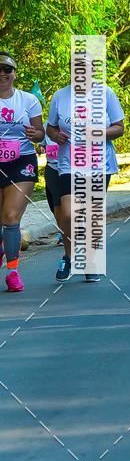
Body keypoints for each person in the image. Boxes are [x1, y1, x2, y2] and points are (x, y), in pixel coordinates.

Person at [47, 72, 125, 282]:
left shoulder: (106, 93)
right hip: (69, 163)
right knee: (69, 213)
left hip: (99, 164)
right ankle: (69, 256)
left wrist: (99, 132)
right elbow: (51, 127)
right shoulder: (60, 96)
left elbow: (119, 128)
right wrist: (56, 136)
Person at [0, 52, 44, 292]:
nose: (2, 74)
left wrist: (35, 135)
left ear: (14, 73)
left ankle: (13, 272)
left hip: (21, 161)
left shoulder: (28, 100)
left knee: (10, 217)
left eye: (7, 70)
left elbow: (41, 134)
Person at [40, 122, 63, 247]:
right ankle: (63, 232)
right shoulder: (45, 126)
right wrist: (42, 148)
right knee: (56, 202)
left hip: (72, 168)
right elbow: (42, 144)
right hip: (52, 167)